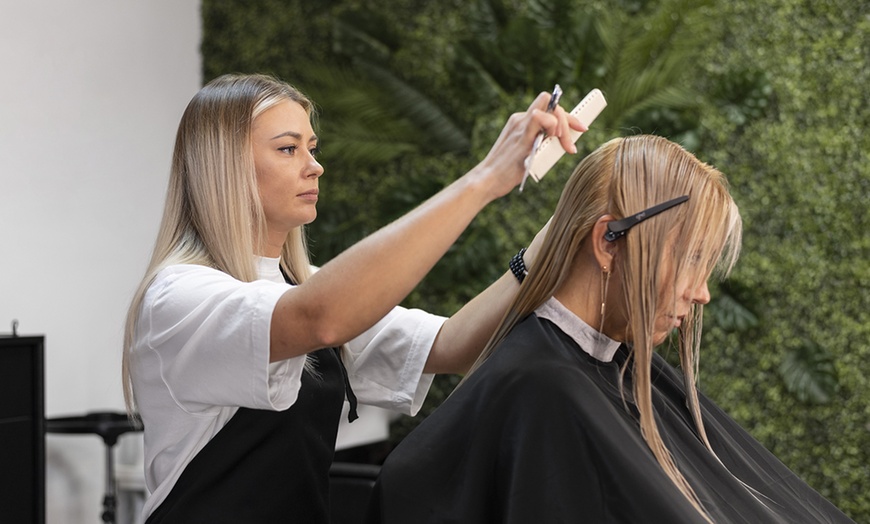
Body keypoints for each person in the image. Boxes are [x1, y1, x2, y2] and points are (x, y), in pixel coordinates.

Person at [120, 73, 584, 523]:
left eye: (312, 148)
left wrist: (558, 236)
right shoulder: (179, 298)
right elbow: (321, 319)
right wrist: (483, 180)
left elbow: (452, 344)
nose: (314, 166)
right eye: (288, 149)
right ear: (224, 167)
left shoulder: (299, 288)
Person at [369, 135, 854, 523]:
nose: (702, 292)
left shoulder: (594, 369)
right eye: (690, 260)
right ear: (608, 244)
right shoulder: (544, 388)